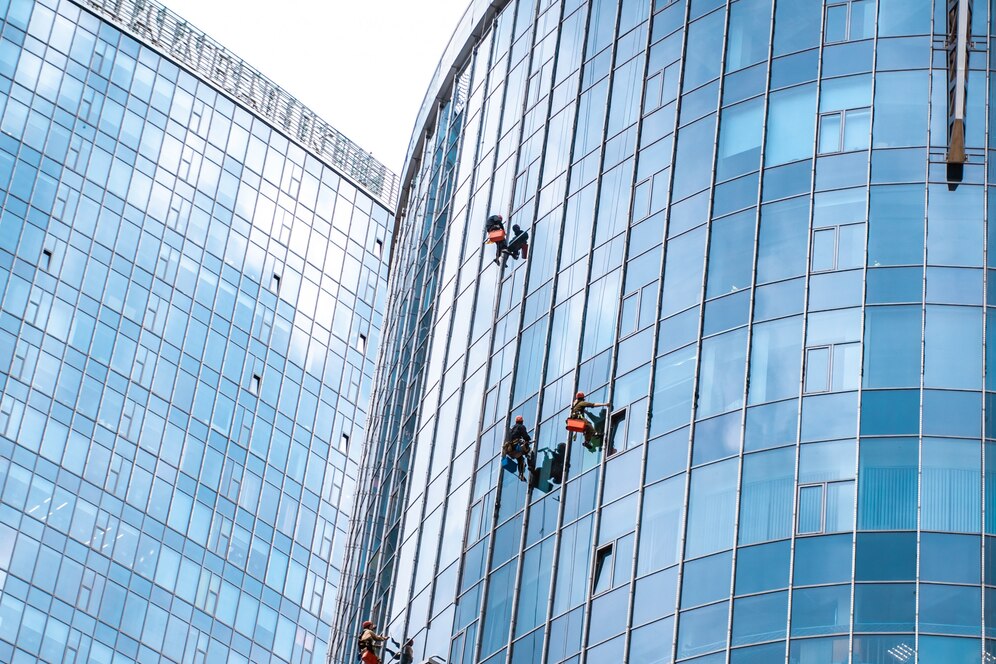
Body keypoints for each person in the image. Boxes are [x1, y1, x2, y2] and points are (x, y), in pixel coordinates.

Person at [503, 415, 532, 481]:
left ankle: (521, 474)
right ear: (522, 421)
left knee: (520, 459)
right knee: (528, 449)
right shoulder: (521, 427)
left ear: (516, 421)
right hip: (516, 447)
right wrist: (528, 440)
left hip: (510, 449)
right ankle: (529, 459)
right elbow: (525, 436)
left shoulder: (512, 428)